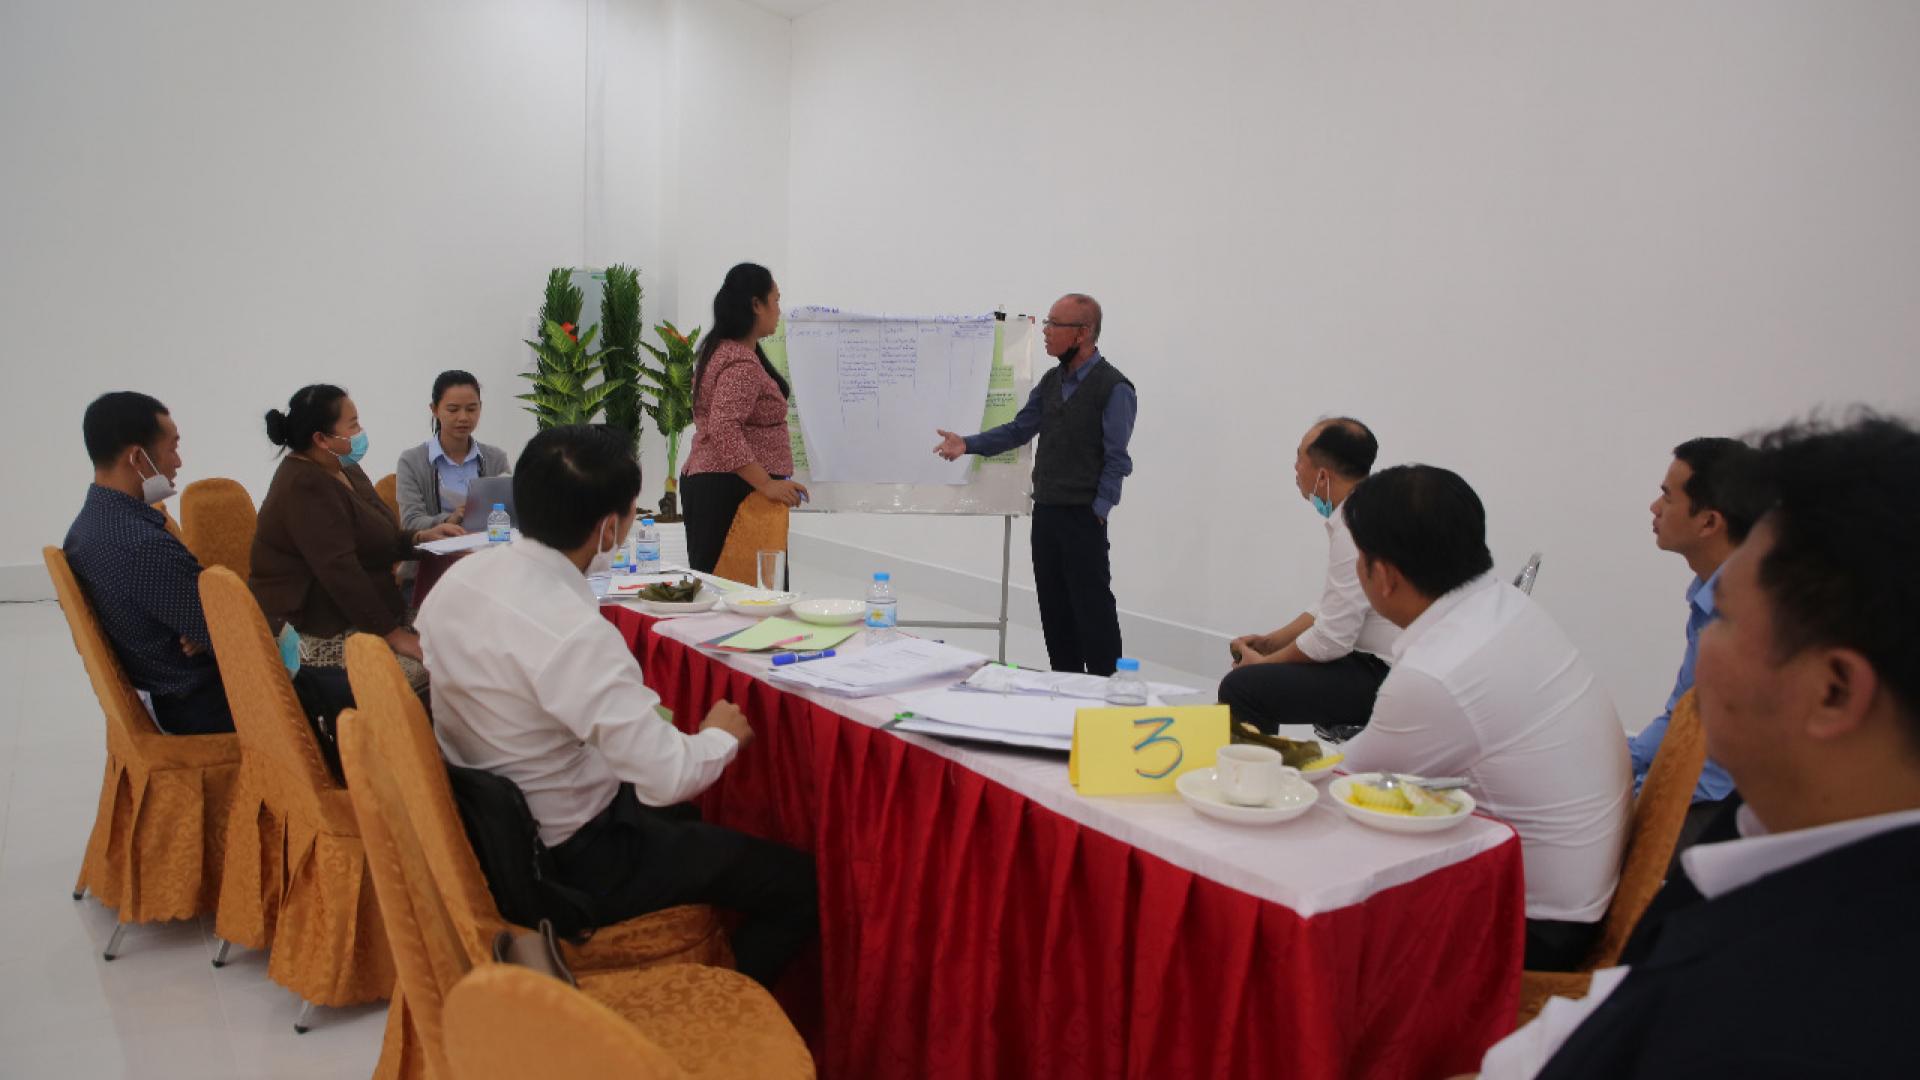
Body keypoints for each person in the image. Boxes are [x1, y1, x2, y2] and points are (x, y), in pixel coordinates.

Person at [1470, 413, 1920, 1079]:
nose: (1703, 657)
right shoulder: (1754, 841)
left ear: (1833, 691)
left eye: (1730, 620)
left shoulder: (1788, 1019)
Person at [418, 424, 818, 988]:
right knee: (796, 883)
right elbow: (667, 777)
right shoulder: (573, 631)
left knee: (692, 829)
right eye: (632, 517)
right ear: (610, 527)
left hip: (494, 830)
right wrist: (721, 735)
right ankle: (716, 1015)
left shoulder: (463, 579)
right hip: (573, 858)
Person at [1337, 465, 1631, 972]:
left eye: (1358, 559)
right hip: (1585, 894)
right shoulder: (1506, 609)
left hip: (1536, 930)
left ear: (1382, 575)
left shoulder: (1437, 674)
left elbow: (1339, 786)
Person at [933, 293, 1137, 675]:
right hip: (1046, 512)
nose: (1045, 332)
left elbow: (1117, 460)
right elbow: (1020, 429)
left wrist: (1099, 511)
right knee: (1054, 608)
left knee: (1092, 609)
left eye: (1054, 324)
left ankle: (1108, 691)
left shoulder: (1114, 387)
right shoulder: (1051, 381)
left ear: (1082, 333)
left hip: (1082, 518)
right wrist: (968, 444)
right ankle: (1065, 684)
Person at [251, 385, 462, 693]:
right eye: (352, 425)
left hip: (372, 611)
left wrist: (419, 538)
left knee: (466, 634)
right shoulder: (303, 485)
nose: (361, 432)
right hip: (322, 630)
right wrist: (394, 636)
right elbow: (340, 571)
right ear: (321, 439)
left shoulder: (344, 466)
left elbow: (375, 535)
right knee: (444, 663)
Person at [62, 392, 233, 735]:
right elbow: (235, 634)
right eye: (172, 448)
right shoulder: (141, 546)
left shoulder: (89, 527)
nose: (178, 462)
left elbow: (212, 623)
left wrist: (207, 628)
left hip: (170, 692)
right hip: (205, 702)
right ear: (138, 458)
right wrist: (214, 627)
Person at [1218, 417, 1397, 736]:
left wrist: (1264, 664)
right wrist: (1272, 642)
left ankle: (1254, 781)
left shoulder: (1354, 527)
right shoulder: (1371, 509)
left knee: (1243, 687)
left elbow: (1331, 640)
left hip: (1384, 674)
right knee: (1258, 677)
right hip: (1381, 661)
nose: (1296, 468)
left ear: (1323, 475)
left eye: (1300, 457)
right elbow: (1334, 605)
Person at [1632, 437, 1766, 849]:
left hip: (1716, 809)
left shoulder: (1749, 615)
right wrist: (1622, 759)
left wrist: (1638, 796)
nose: (1654, 509)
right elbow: (1681, 711)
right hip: (1694, 789)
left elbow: (1714, 765)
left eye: (1666, 497)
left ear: (1708, 522)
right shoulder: (1708, 595)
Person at [679, 263, 807, 574]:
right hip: (733, 491)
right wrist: (766, 483)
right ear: (755, 304)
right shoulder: (740, 363)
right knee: (749, 594)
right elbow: (724, 430)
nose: (778, 309)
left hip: (722, 484)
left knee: (726, 589)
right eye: (775, 300)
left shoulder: (722, 350)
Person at [395, 369, 510, 534]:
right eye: (453, 409)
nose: (463, 417)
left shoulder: (496, 458)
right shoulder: (412, 461)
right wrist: (449, 520)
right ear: (434, 409)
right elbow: (411, 522)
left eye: (471, 409)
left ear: (480, 407)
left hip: (486, 553)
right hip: (434, 557)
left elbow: (509, 514)